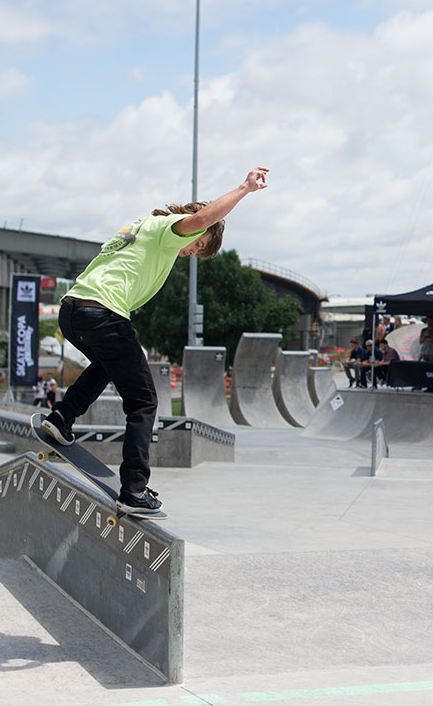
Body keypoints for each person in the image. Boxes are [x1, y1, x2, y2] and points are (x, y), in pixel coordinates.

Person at [42, 166, 268, 514]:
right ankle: (133, 490)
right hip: (104, 312)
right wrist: (244, 188)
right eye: (199, 244)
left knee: (104, 365)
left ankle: (61, 419)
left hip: (73, 311)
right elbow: (206, 216)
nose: (192, 251)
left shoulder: (141, 225)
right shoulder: (171, 230)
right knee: (144, 400)